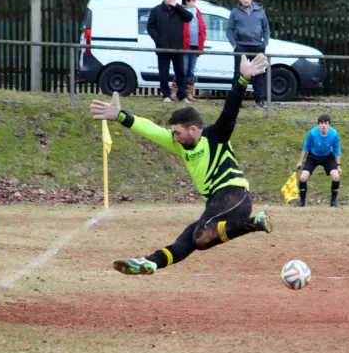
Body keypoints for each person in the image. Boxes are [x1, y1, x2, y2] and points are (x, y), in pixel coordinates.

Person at [89, 54, 273, 275]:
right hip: (216, 202)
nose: (174, 138)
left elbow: (231, 106)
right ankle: (150, 262)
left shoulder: (216, 135)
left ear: (193, 129)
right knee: (188, 240)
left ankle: (255, 222)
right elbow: (150, 129)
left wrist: (243, 80)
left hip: (234, 195)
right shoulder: (179, 143)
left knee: (201, 238)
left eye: (178, 133)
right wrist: (120, 116)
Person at [147, 0, 194, 103]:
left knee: (180, 73)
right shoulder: (156, 10)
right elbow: (150, 27)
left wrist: (177, 6)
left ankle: (181, 95)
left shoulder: (179, 10)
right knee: (164, 72)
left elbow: (188, 18)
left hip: (177, 47)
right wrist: (158, 40)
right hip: (163, 47)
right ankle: (166, 95)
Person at [226, 0, 270, 108]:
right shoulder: (235, 12)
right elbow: (229, 30)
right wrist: (234, 44)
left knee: (259, 74)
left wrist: (265, 42)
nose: (245, 0)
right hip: (241, 46)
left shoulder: (260, 11)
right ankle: (236, 101)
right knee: (238, 74)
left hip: (257, 46)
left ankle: (260, 101)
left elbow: (266, 27)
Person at [295, 114, 342, 208]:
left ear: (329, 125)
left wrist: (338, 165)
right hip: (313, 156)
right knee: (303, 177)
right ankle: (302, 202)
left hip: (328, 156)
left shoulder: (334, 134)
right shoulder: (312, 133)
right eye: (321, 123)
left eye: (326, 123)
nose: (323, 125)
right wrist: (301, 161)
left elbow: (337, 150)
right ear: (318, 124)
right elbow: (306, 147)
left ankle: (333, 202)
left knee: (336, 176)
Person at [170, 0, 207, 103]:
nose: (195, 2)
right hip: (184, 45)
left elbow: (202, 27)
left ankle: (188, 93)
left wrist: (202, 40)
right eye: (193, 0)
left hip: (195, 45)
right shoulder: (180, 11)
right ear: (187, 1)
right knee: (183, 69)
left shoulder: (197, 12)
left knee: (191, 70)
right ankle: (175, 92)